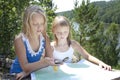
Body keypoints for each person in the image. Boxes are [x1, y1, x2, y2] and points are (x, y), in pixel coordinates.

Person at [10, 5, 56, 80]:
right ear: (27, 24)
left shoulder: (44, 37)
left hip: (34, 72)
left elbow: (49, 60)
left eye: (42, 24)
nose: (39, 27)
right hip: (18, 74)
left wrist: (28, 71)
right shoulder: (20, 40)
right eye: (35, 24)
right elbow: (25, 67)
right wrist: (43, 62)